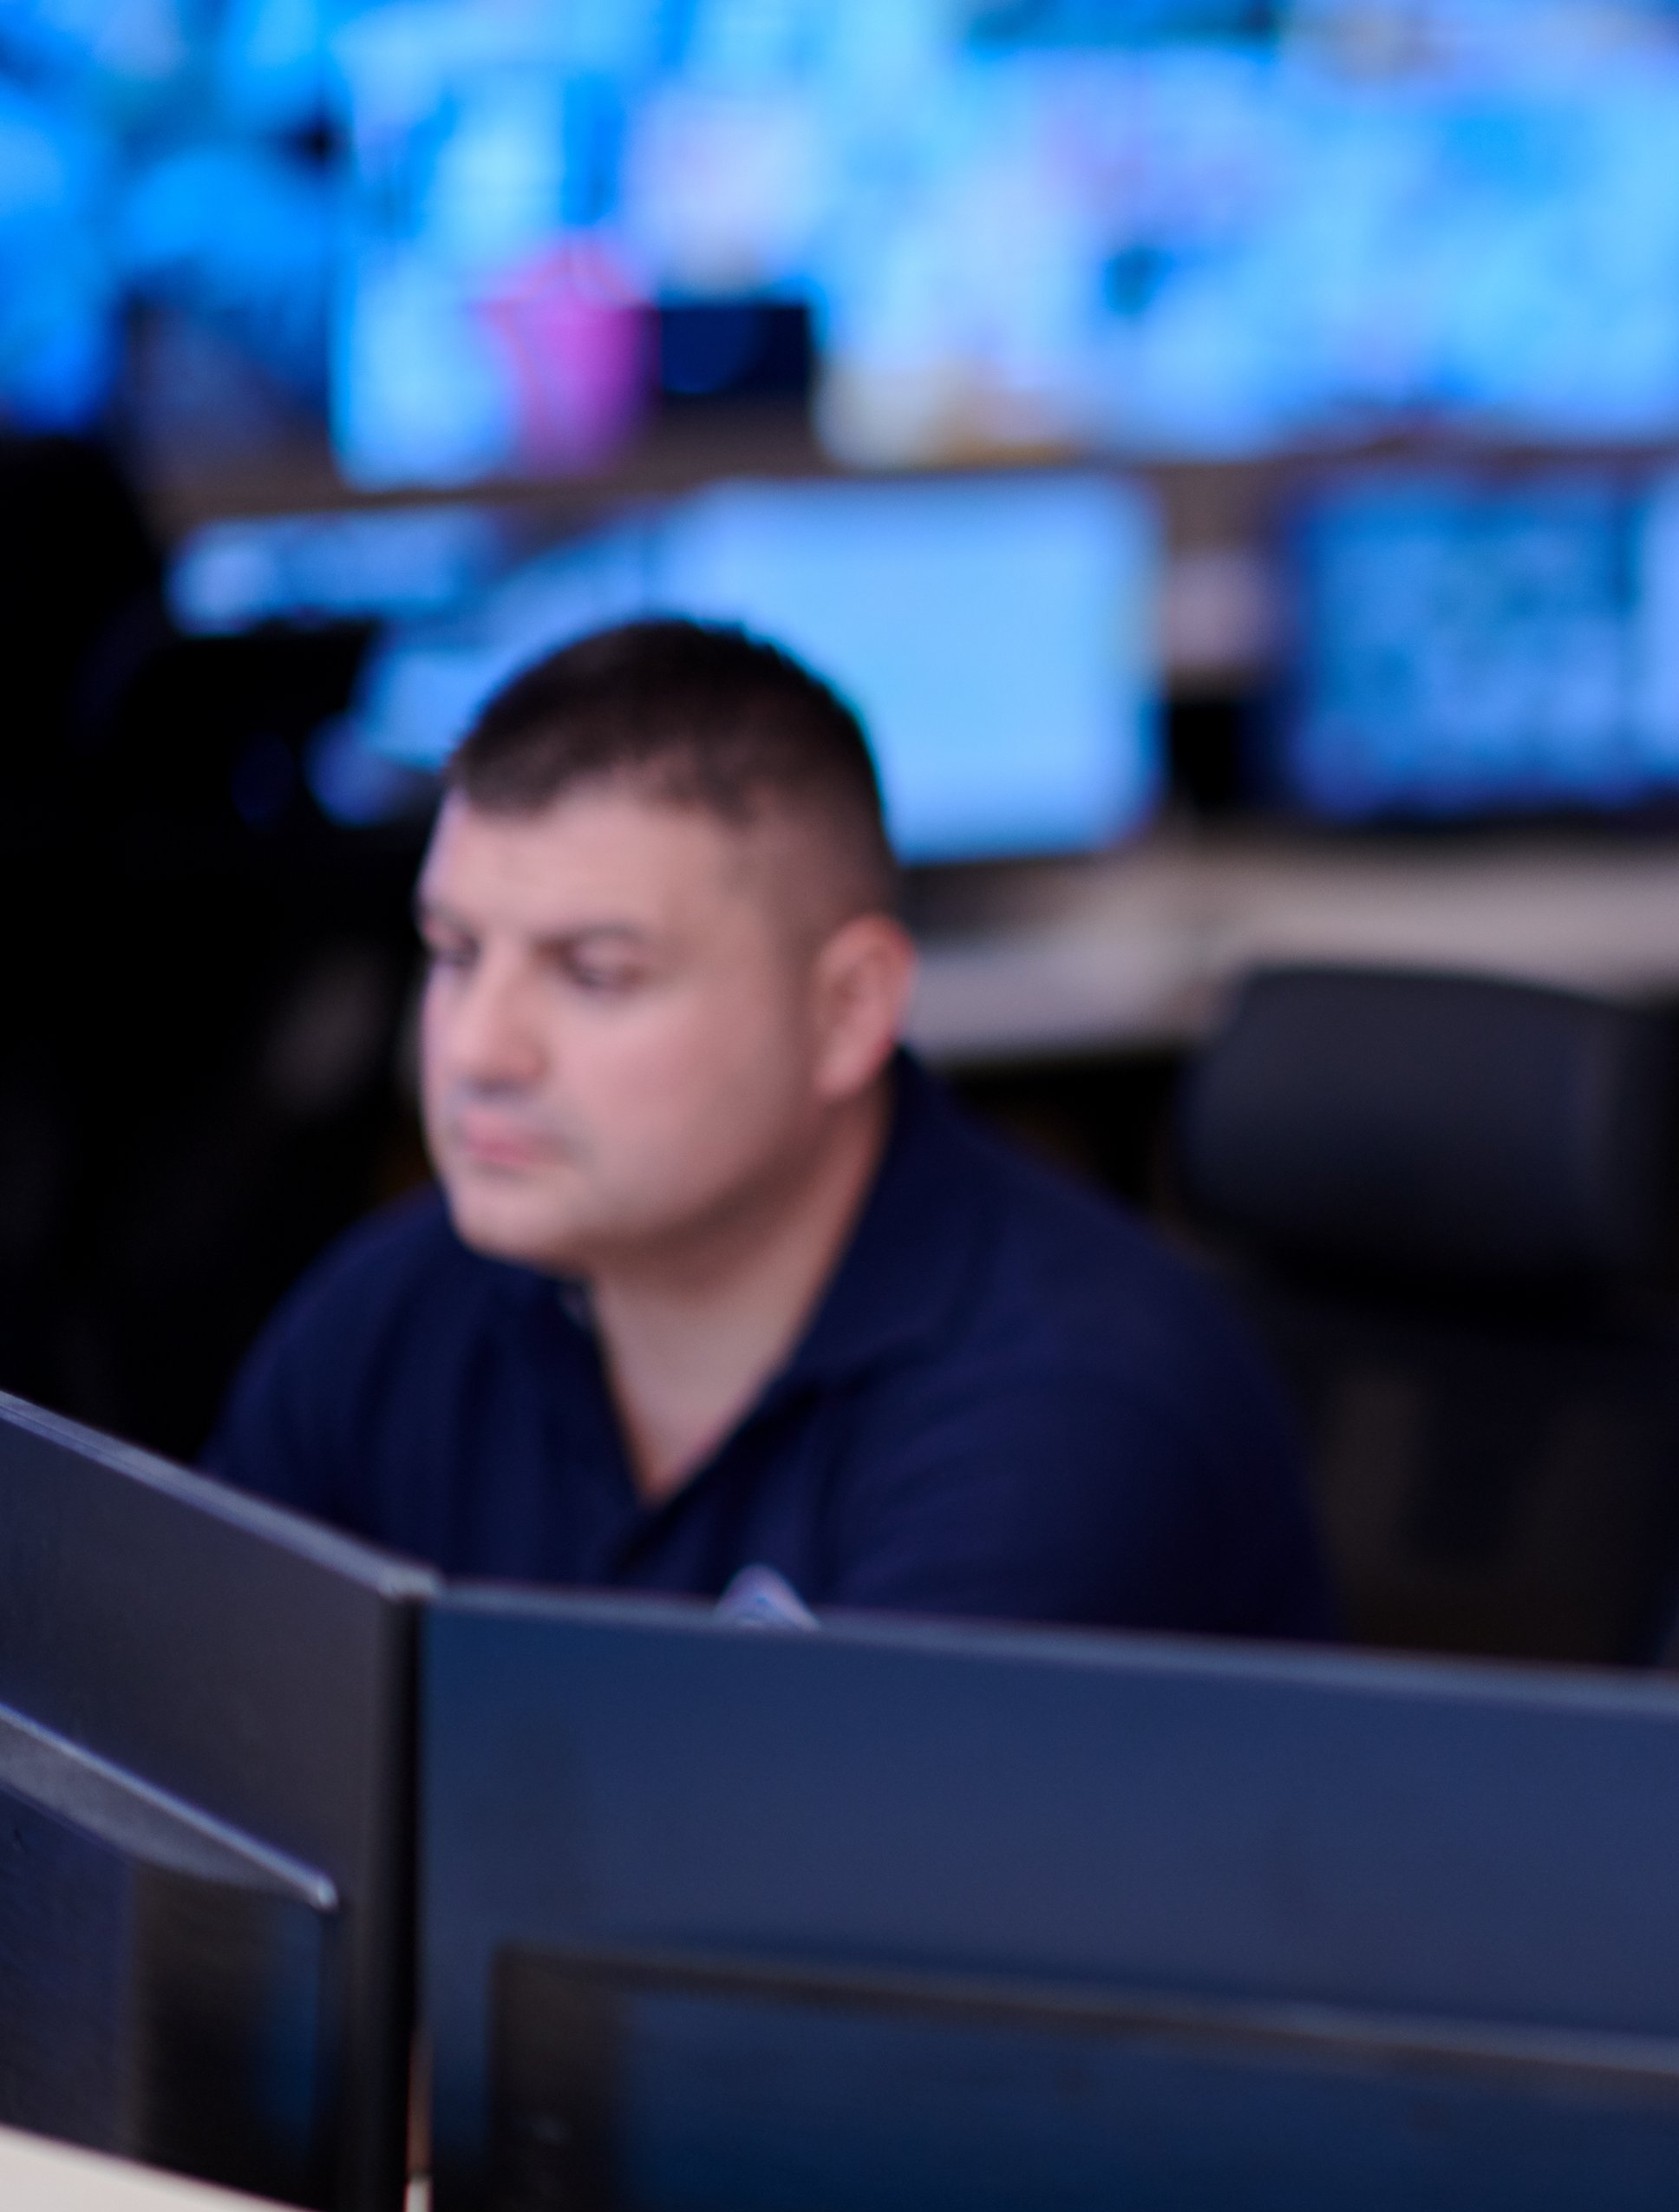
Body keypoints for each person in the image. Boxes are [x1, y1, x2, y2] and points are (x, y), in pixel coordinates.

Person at [207, 618, 1335, 1638]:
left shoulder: (1068, 1415)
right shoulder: (397, 1310)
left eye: (595, 974)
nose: (478, 1049)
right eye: (456, 954)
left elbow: (816, 1870)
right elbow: (197, 1742)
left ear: (846, 1012)